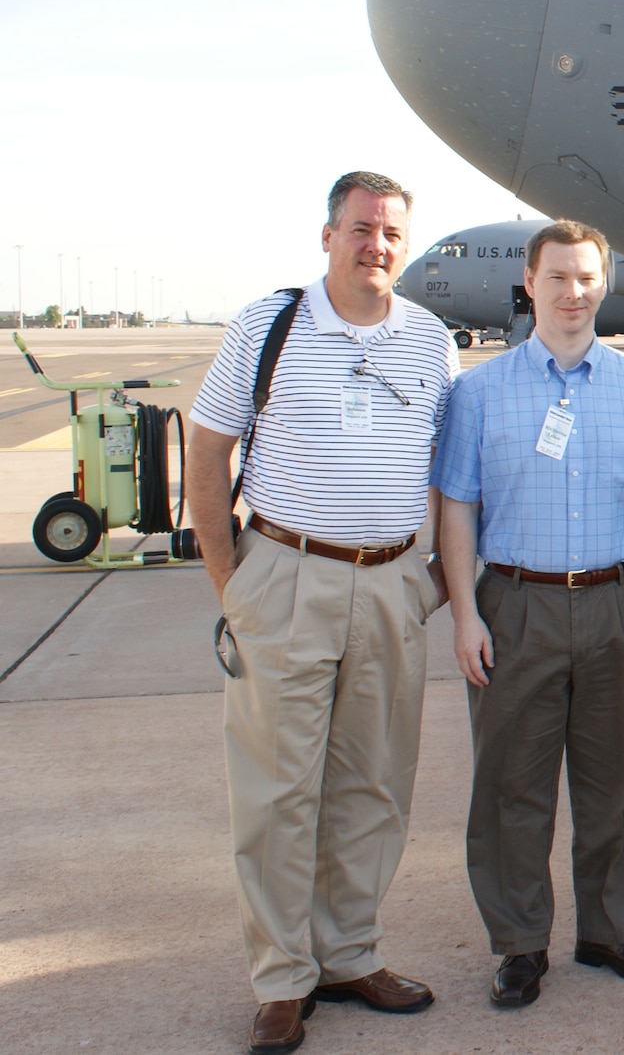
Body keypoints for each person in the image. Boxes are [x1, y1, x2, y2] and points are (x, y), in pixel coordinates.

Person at [184, 171, 457, 1055]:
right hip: (285, 572)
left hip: (390, 583)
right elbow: (208, 449)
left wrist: (436, 584)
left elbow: (450, 478)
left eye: (391, 233)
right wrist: (232, 585)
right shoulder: (268, 325)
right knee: (276, 791)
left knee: (375, 783)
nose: (376, 244)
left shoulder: (430, 340)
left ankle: (348, 953)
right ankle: (280, 979)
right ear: (329, 234)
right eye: (361, 227)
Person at [433, 220, 624, 1009]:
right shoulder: (478, 392)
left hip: (616, 600)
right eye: (557, 278)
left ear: (603, 284)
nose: (573, 292)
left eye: (586, 278)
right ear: (529, 283)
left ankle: (610, 929)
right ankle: (519, 943)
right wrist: (466, 612)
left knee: (612, 782)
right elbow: (456, 508)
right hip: (515, 605)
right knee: (513, 785)